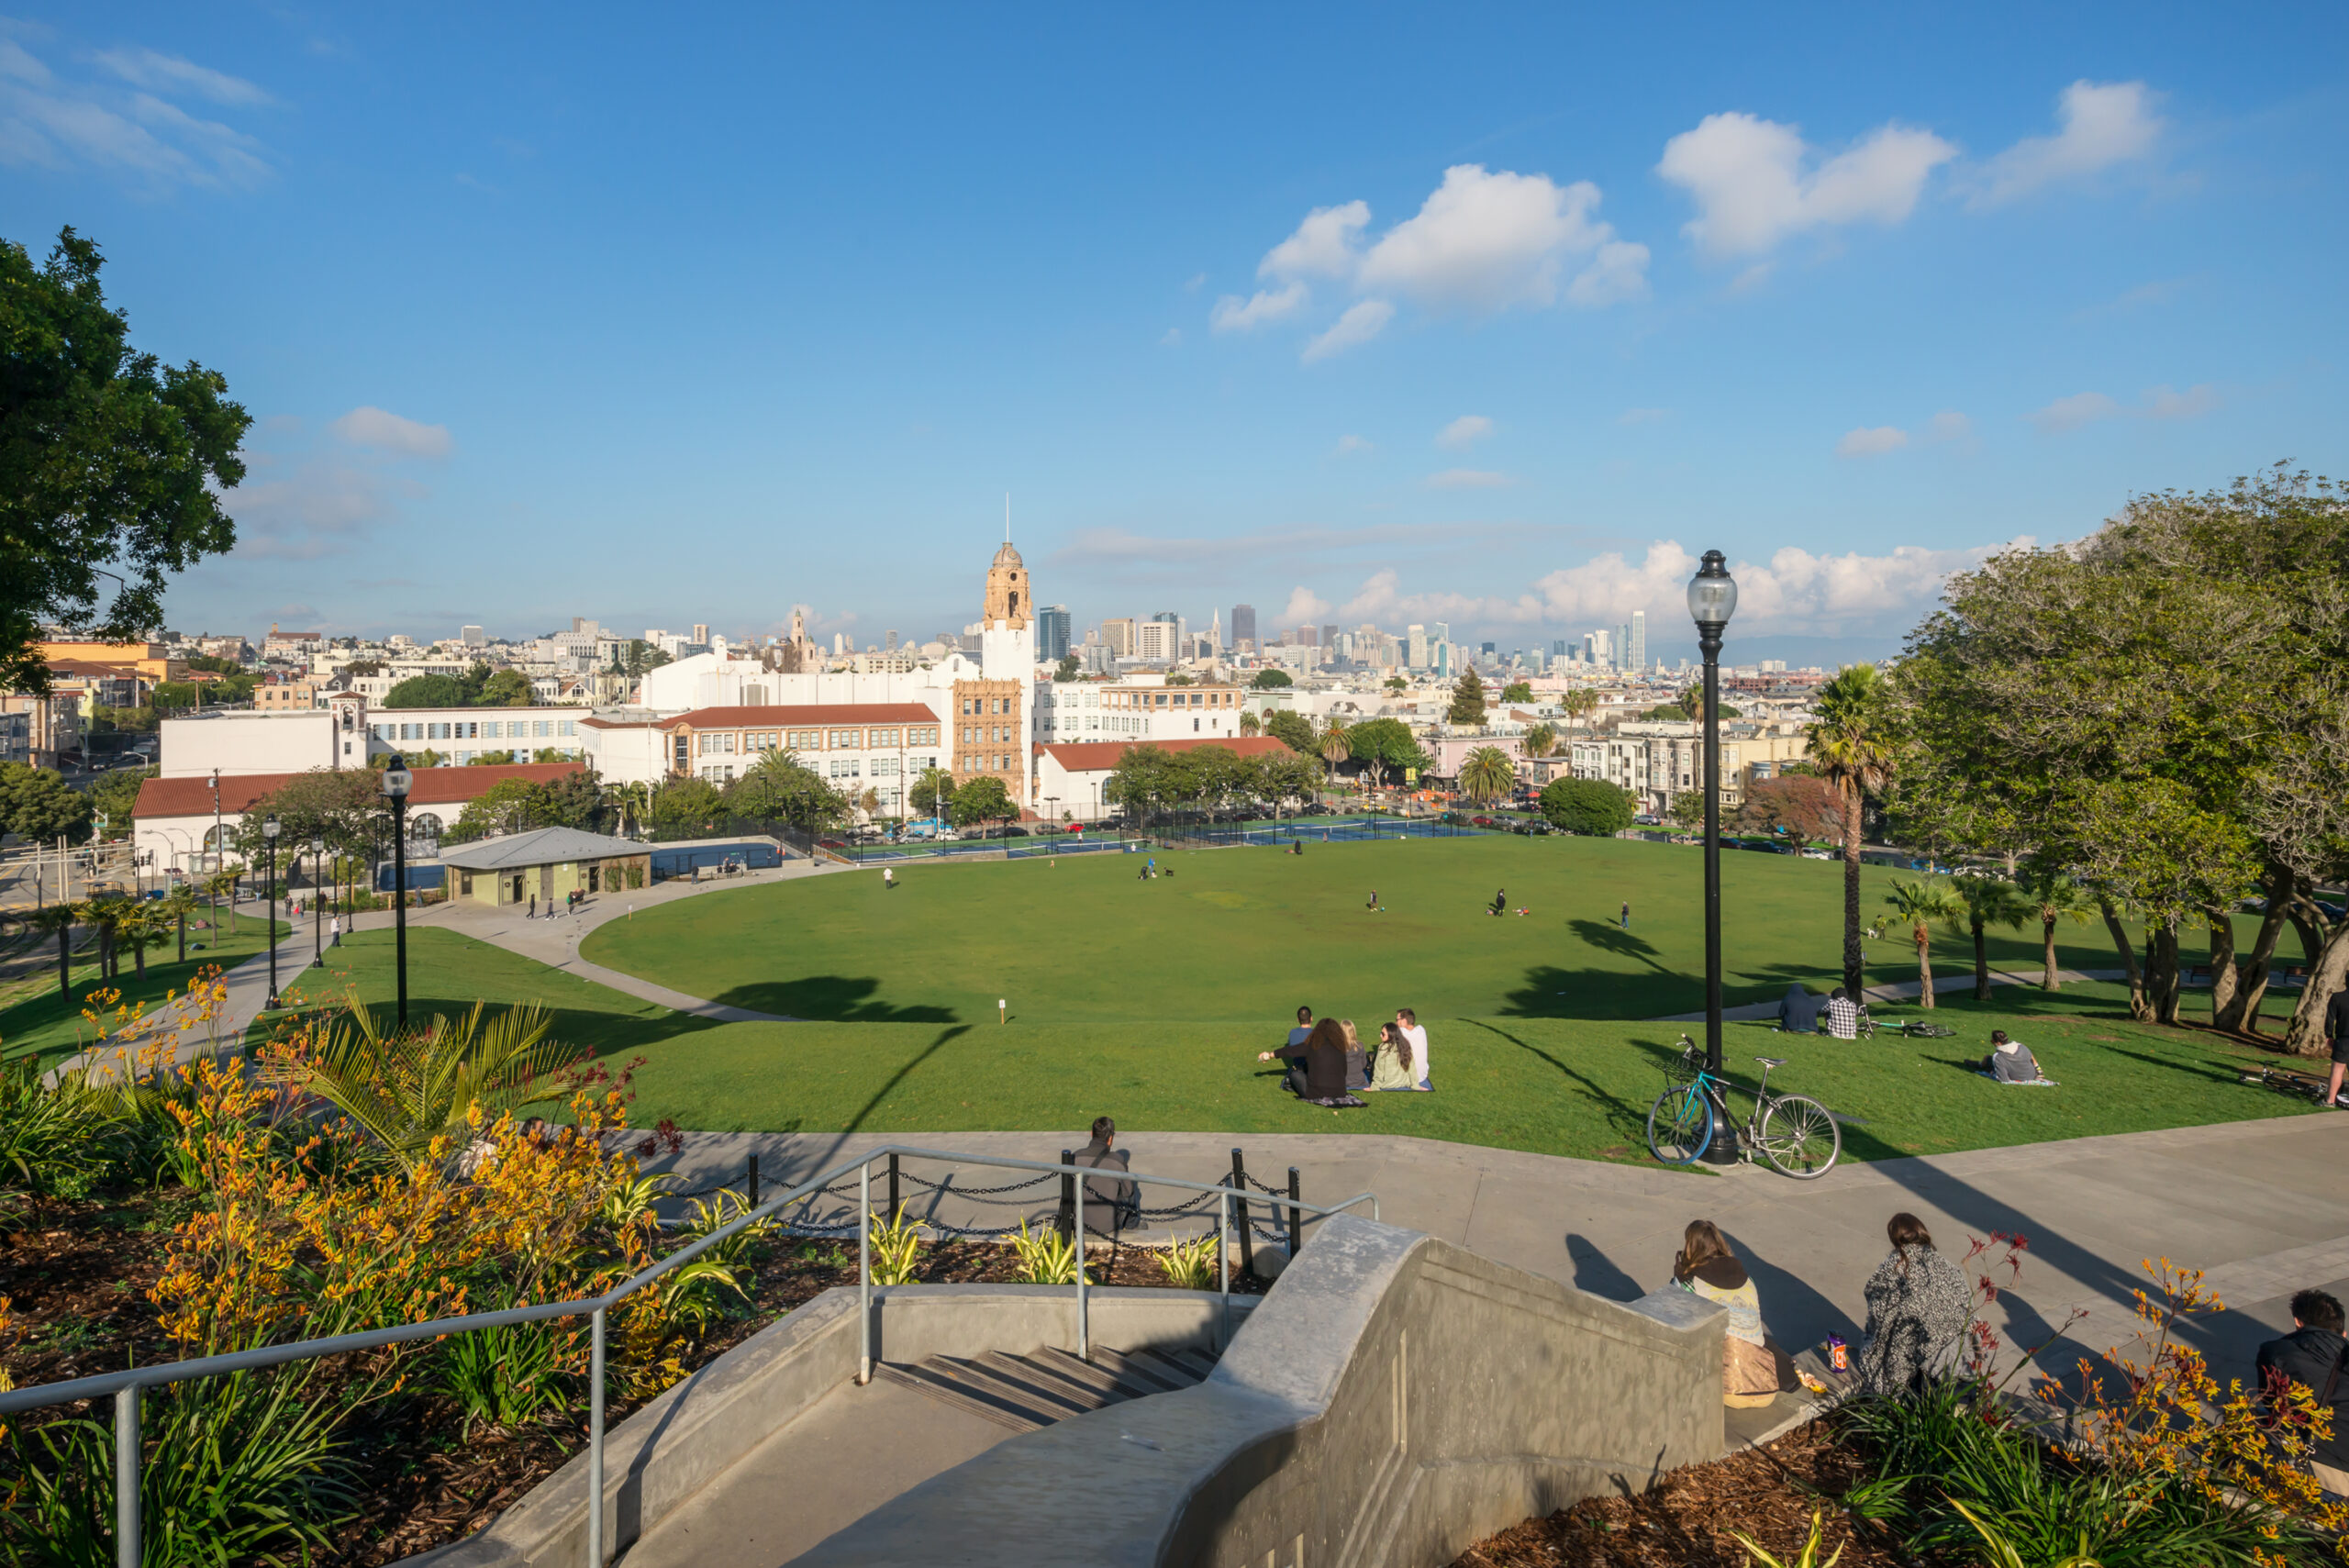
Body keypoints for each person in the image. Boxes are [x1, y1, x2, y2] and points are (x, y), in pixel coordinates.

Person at [1671, 1221, 1789, 1407]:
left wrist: (1679, 1274)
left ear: (1690, 1247)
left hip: (1731, 1391)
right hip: (1767, 1389)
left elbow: (1671, 1320)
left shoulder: (1689, 1283)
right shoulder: (1748, 1280)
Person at [1855, 1212, 1973, 1397]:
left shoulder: (1893, 1268)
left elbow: (1877, 1307)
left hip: (1924, 1359)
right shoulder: (1947, 1267)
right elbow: (1967, 1306)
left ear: (1895, 1239)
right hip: (1959, 1353)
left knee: (1888, 1354)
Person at [2256, 1289, 2349, 1496]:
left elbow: (2271, 1405)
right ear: (2344, 1333)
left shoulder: (2276, 1352)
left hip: (2321, 1470)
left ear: (2298, 1322)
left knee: (2249, 1419)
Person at [1074, 1116, 1141, 1239]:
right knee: (1131, 1186)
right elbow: (1128, 1192)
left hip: (1078, 1222)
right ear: (1110, 1139)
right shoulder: (1117, 1161)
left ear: (1091, 1134)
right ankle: (1131, 1225)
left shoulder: (1076, 1157)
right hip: (1107, 1226)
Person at [1260, 1017, 1350, 1101]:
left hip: (1315, 1093)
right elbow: (1344, 1072)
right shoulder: (1340, 1048)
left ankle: (1289, 1084)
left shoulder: (1312, 1045)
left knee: (1294, 1073)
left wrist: (1270, 1055)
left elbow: (1290, 1051)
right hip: (1340, 1092)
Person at [1366, 1022, 1420, 1091]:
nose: (1380, 1035)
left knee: (1373, 1060)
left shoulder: (1383, 1048)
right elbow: (1412, 1068)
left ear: (1391, 1035)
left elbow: (1379, 1069)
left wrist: (1375, 1087)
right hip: (1403, 1082)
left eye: (1383, 1034)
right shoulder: (1405, 1045)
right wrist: (1415, 1085)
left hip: (1385, 1084)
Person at [1974, 1029, 2043, 1083]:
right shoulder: (2021, 1046)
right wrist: (2039, 1070)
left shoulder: (1998, 1057)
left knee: (1987, 1059)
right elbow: (2032, 1057)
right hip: (2032, 1075)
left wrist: (1991, 1074)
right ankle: (1979, 1064)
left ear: (1997, 1042)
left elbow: (2003, 1079)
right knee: (1988, 1058)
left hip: (2017, 1077)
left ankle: (1979, 1065)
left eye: (1992, 1041)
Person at [1396, 1007, 1430, 1089]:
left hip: (1407, 1077)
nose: (1396, 1022)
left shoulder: (1400, 1032)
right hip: (1423, 1075)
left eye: (1397, 1020)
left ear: (1403, 1021)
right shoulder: (1421, 1030)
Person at [2326, 985, 2349, 1108]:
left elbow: (2330, 1019)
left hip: (2344, 1039)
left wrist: (2329, 1035)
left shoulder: (2337, 998)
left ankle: (2330, 1100)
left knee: (2337, 1069)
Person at [1338, 1019, 1369, 1092]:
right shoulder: (1360, 1046)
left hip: (1343, 1081)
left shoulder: (1337, 1047)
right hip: (1359, 1081)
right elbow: (1364, 1064)